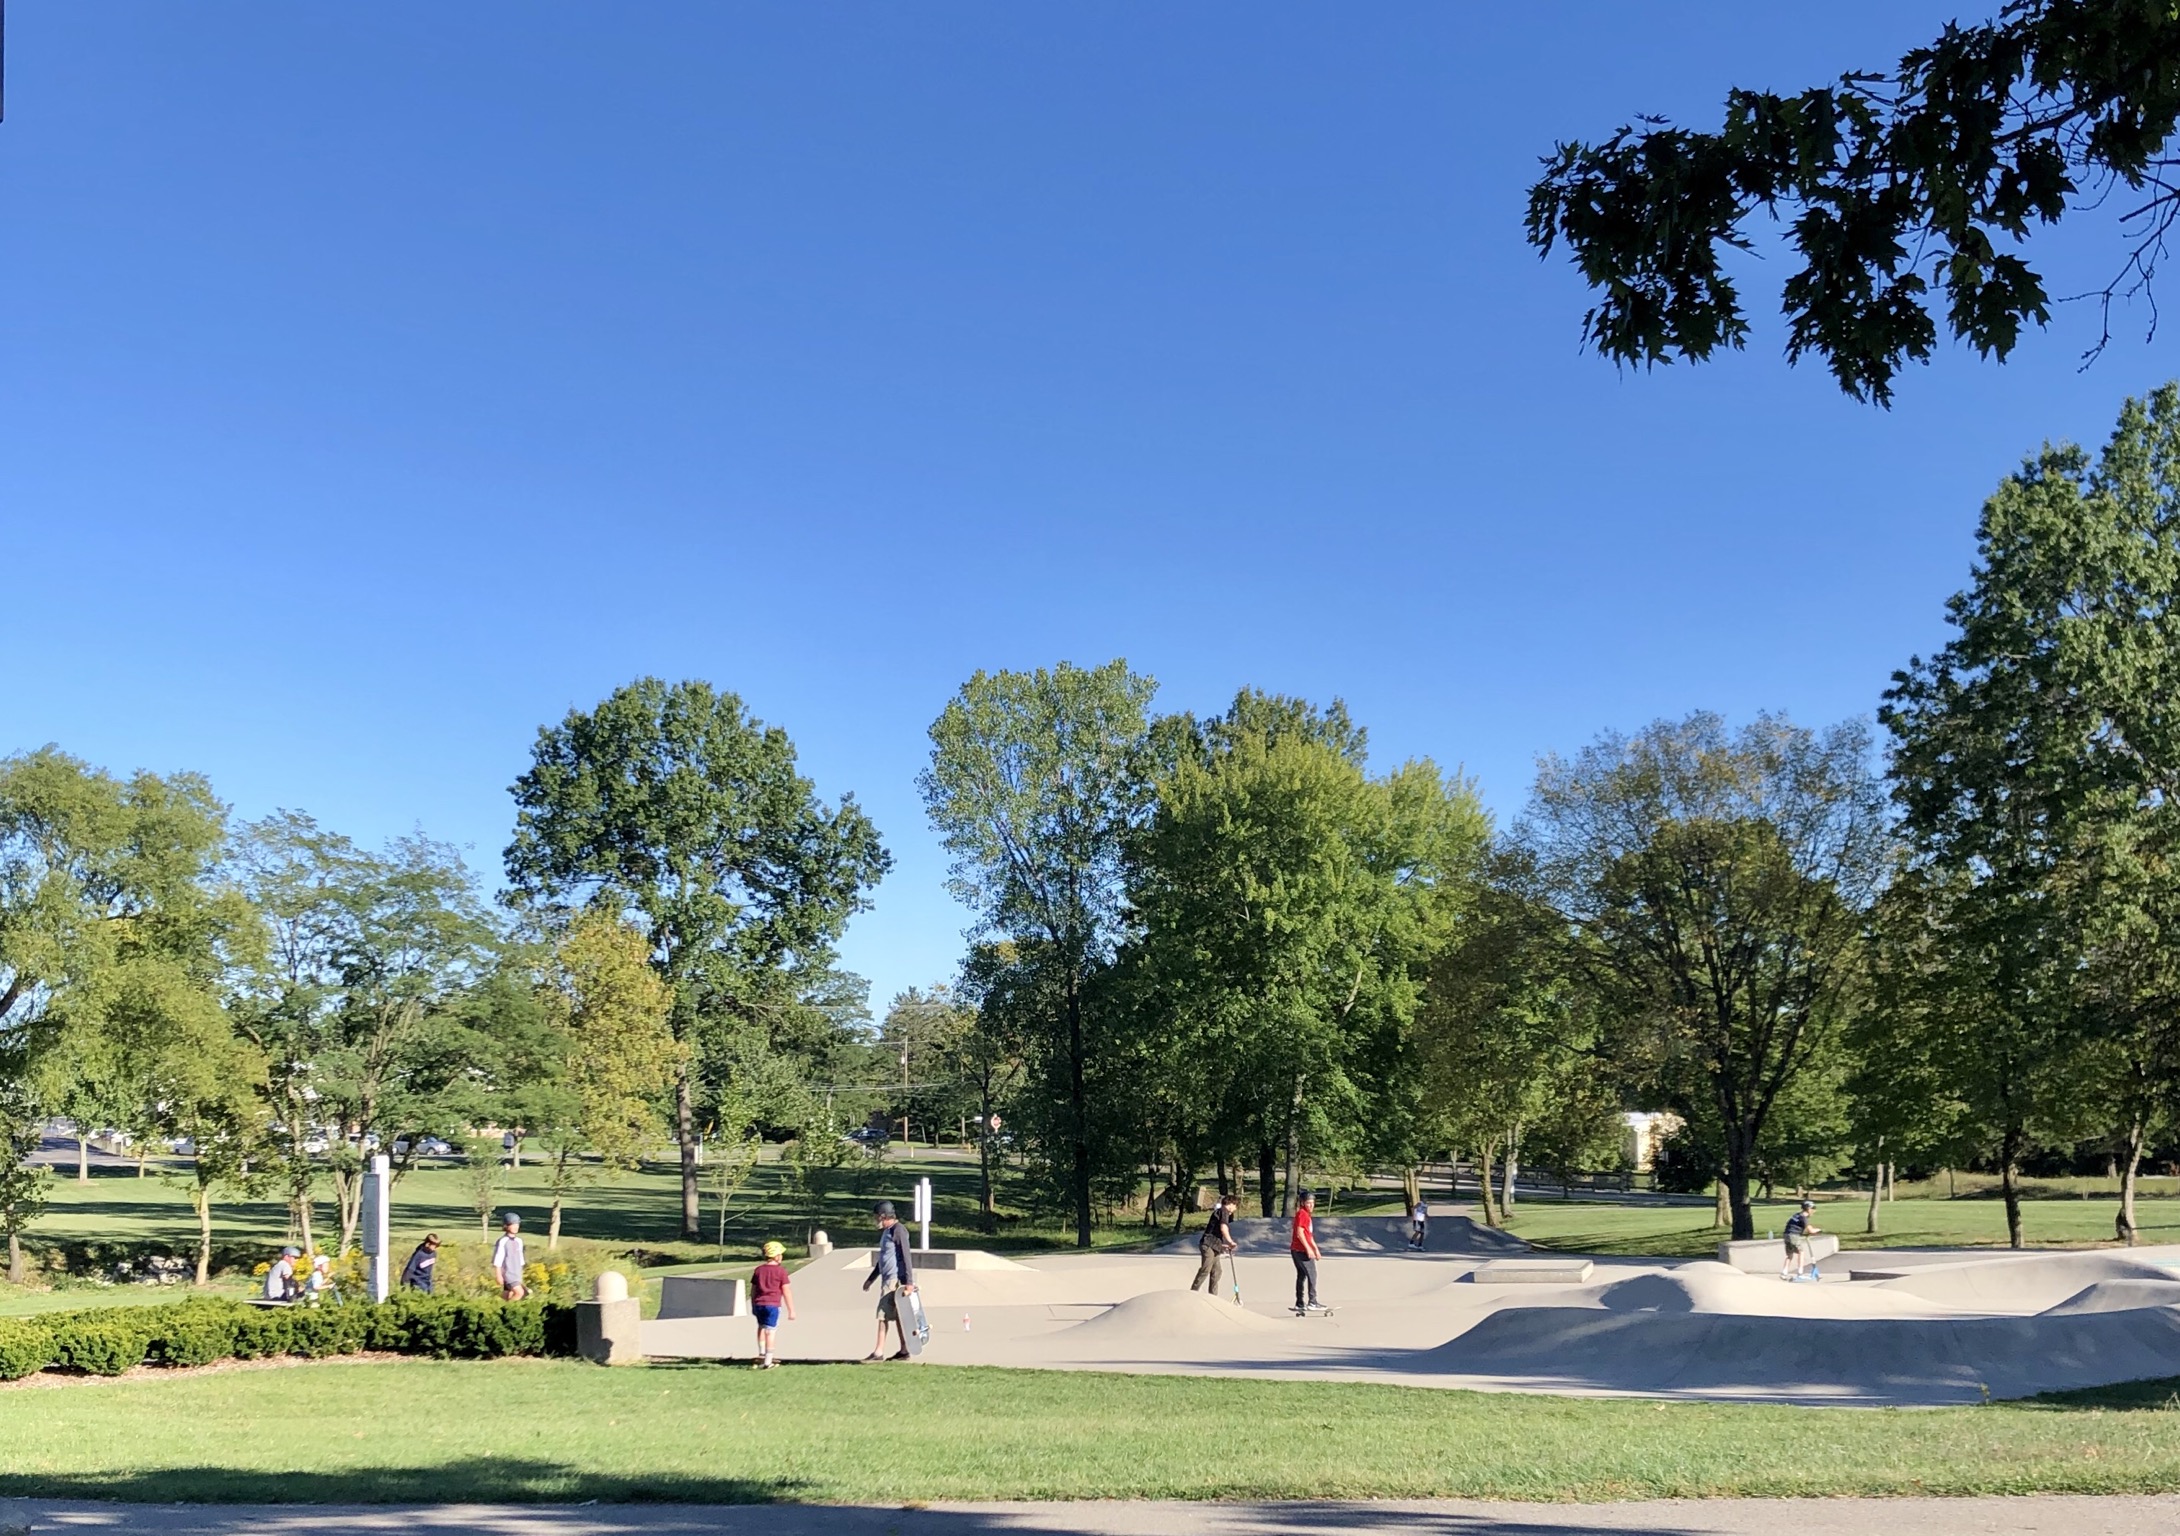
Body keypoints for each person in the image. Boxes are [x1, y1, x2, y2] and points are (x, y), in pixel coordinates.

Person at [860, 1200, 917, 1361]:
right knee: (897, 1316)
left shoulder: (899, 1230)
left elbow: (906, 1256)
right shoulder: (887, 1232)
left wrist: (909, 1283)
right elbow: (883, 1259)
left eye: (877, 1217)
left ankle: (878, 1352)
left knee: (883, 1315)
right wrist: (871, 1279)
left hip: (895, 1280)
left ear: (884, 1216)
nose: (875, 1220)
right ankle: (904, 1350)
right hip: (887, 1280)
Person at [750, 1240, 796, 1369]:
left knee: (761, 1327)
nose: (781, 1257)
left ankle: (761, 1353)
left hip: (759, 1304)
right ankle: (768, 1361)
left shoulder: (758, 1270)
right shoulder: (781, 1271)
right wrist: (791, 1310)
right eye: (780, 1254)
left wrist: (753, 1304)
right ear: (776, 1256)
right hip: (773, 1305)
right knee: (770, 1332)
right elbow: (786, 1291)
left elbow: (753, 1290)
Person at [1191, 1192, 1240, 1294]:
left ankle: (1213, 1296)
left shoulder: (1221, 1212)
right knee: (1206, 1268)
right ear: (1231, 1204)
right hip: (1207, 1245)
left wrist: (1222, 1245)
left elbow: (1215, 1232)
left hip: (1215, 1246)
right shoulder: (1223, 1211)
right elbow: (1223, 1228)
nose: (1235, 1209)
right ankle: (1193, 1292)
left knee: (1217, 1271)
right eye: (1235, 1206)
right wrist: (1230, 1242)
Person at [1290, 1189, 1326, 1312]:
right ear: (1302, 1203)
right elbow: (1300, 1233)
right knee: (1312, 1275)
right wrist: (1308, 1249)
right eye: (1308, 1203)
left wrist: (1316, 1249)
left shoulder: (1304, 1214)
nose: (1311, 1205)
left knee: (1301, 1275)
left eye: (1312, 1203)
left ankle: (1299, 1303)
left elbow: (1308, 1235)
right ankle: (1312, 1302)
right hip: (1301, 1250)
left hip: (1296, 1250)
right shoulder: (1303, 1214)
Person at [1783, 1200, 1822, 1280]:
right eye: (1813, 1208)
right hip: (1793, 1236)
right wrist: (1819, 1230)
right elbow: (1811, 1230)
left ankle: (1784, 1273)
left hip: (1787, 1235)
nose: (1814, 1211)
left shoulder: (1797, 1215)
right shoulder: (1804, 1218)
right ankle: (1800, 1273)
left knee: (1789, 1255)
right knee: (1801, 1252)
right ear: (1808, 1209)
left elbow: (1794, 1225)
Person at [491, 1213, 527, 1300]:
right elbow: (498, 1260)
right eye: (513, 1225)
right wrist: (499, 1275)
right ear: (506, 1226)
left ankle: (500, 1306)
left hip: (516, 1273)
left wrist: (521, 1274)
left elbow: (520, 1260)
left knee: (508, 1295)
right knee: (519, 1293)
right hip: (508, 1274)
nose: (516, 1227)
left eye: (517, 1224)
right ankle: (511, 1308)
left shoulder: (519, 1241)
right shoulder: (503, 1241)